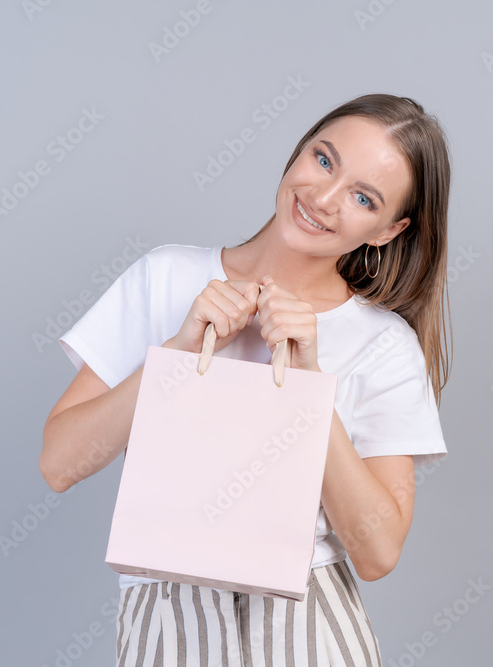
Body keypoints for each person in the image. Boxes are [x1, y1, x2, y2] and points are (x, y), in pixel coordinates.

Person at [40, 92, 453, 666]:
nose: (324, 198)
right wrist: (178, 354)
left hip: (307, 627)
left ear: (388, 230)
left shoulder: (384, 344)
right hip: (167, 616)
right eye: (324, 160)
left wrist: (310, 382)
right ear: (298, 152)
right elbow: (59, 464)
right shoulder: (167, 277)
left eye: (363, 198)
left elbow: (378, 553)